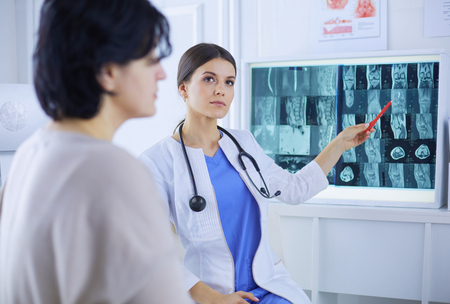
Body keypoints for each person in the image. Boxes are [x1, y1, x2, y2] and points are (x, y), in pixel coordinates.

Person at [139, 43, 374, 304]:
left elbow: (295, 188)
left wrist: (340, 143)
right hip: (211, 293)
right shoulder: (156, 161)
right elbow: (151, 252)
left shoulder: (243, 143)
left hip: (269, 286)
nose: (221, 90)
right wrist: (215, 299)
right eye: (209, 79)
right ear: (183, 88)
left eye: (229, 82)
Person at [0, 0, 192, 303]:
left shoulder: (29, 154)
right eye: (151, 59)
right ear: (108, 71)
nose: (162, 74)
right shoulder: (114, 171)